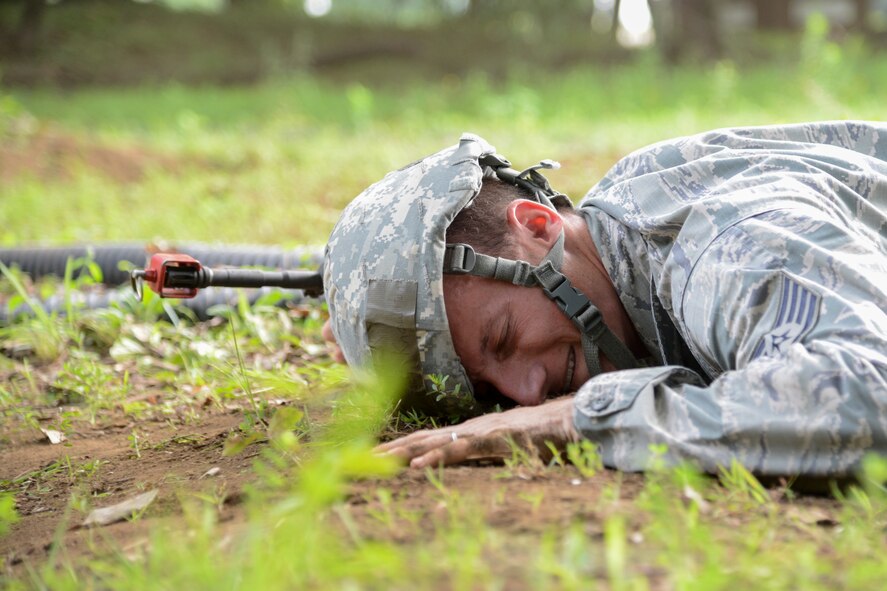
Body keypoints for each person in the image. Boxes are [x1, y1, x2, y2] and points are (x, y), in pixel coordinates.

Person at [322, 122, 887, 478]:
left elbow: (864, 396)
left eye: (503, 339)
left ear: (540, 227)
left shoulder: (724, 244)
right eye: (490, 390)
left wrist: (579, 419)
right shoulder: (621, 222)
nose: (526, 393)